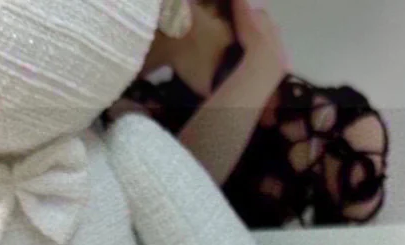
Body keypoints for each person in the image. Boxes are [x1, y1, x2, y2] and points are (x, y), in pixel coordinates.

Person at [114, 0, 389, 228]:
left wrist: (260, 68)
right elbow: (161, 209)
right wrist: (259, 68)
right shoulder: (125, 110)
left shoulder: (336, 130)